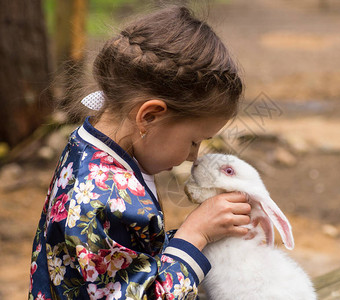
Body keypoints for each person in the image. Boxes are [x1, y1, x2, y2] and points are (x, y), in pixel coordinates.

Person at [29, 5, 251, 299]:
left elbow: (128, 260)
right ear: (149, 117)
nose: (193, 156)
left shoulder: (88, 146)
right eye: (194, 140)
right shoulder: (102, 196)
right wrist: (195, 235)